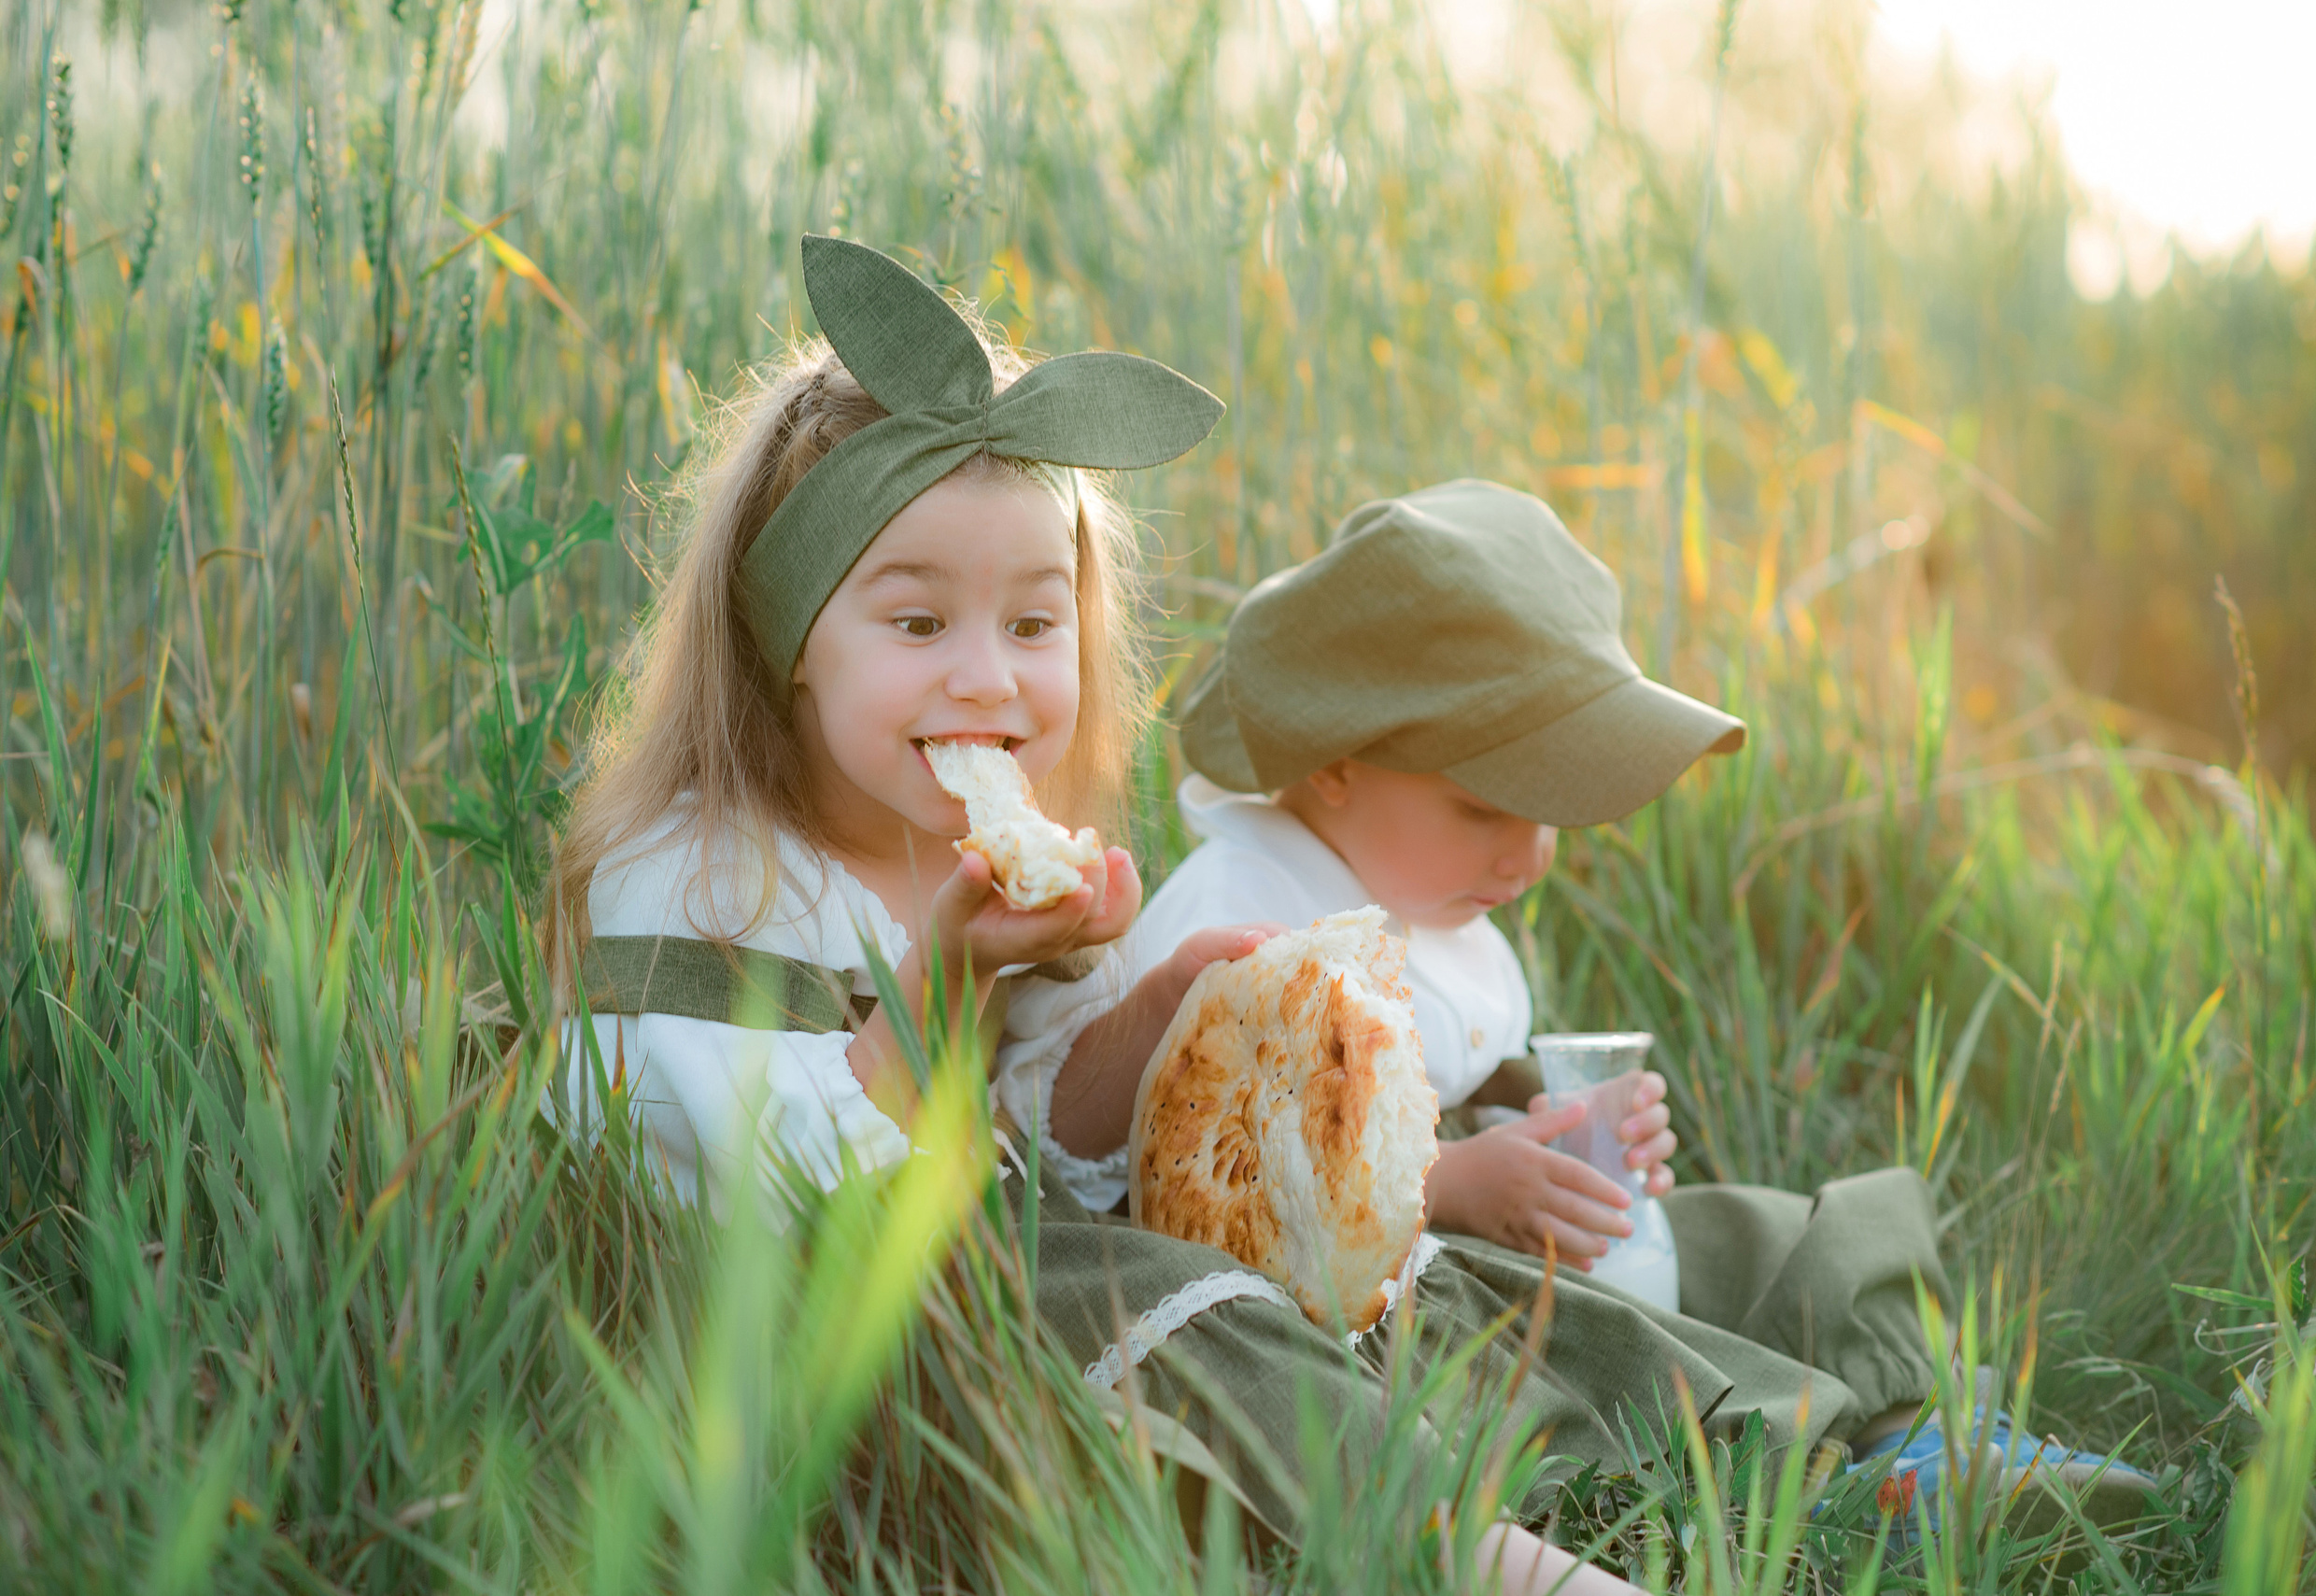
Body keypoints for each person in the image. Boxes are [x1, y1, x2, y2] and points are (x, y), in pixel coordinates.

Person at [544, 235, 1645, 1593]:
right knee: (1152, 1310)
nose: (985, 681)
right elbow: (851, 1223)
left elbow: (1055, 1154)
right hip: (808, 1346)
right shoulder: (705, 885)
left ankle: (1744, 1448)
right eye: (915, 623)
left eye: (1031, 623)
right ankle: (1457, 1552)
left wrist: (1158, 1003)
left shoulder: (997, 855)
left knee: (1331, 1281)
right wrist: (943, 982)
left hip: (985, 1278)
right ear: (788, 648)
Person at [999, 478, 2154, 1523]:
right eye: (1489, 806)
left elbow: (1453, 1083)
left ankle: (1918, 1414)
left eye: (1551, 809)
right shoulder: (1254, 925)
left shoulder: (1427, 896)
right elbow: (1202, 1194)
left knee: (1762, 1229)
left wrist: (1555, 1139)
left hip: (1469, 1236)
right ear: (1334, 763)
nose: (1533, 854)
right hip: (1354, 1306)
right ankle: (1848, 1479)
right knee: (1583, 1347)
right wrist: (1449, 1183)